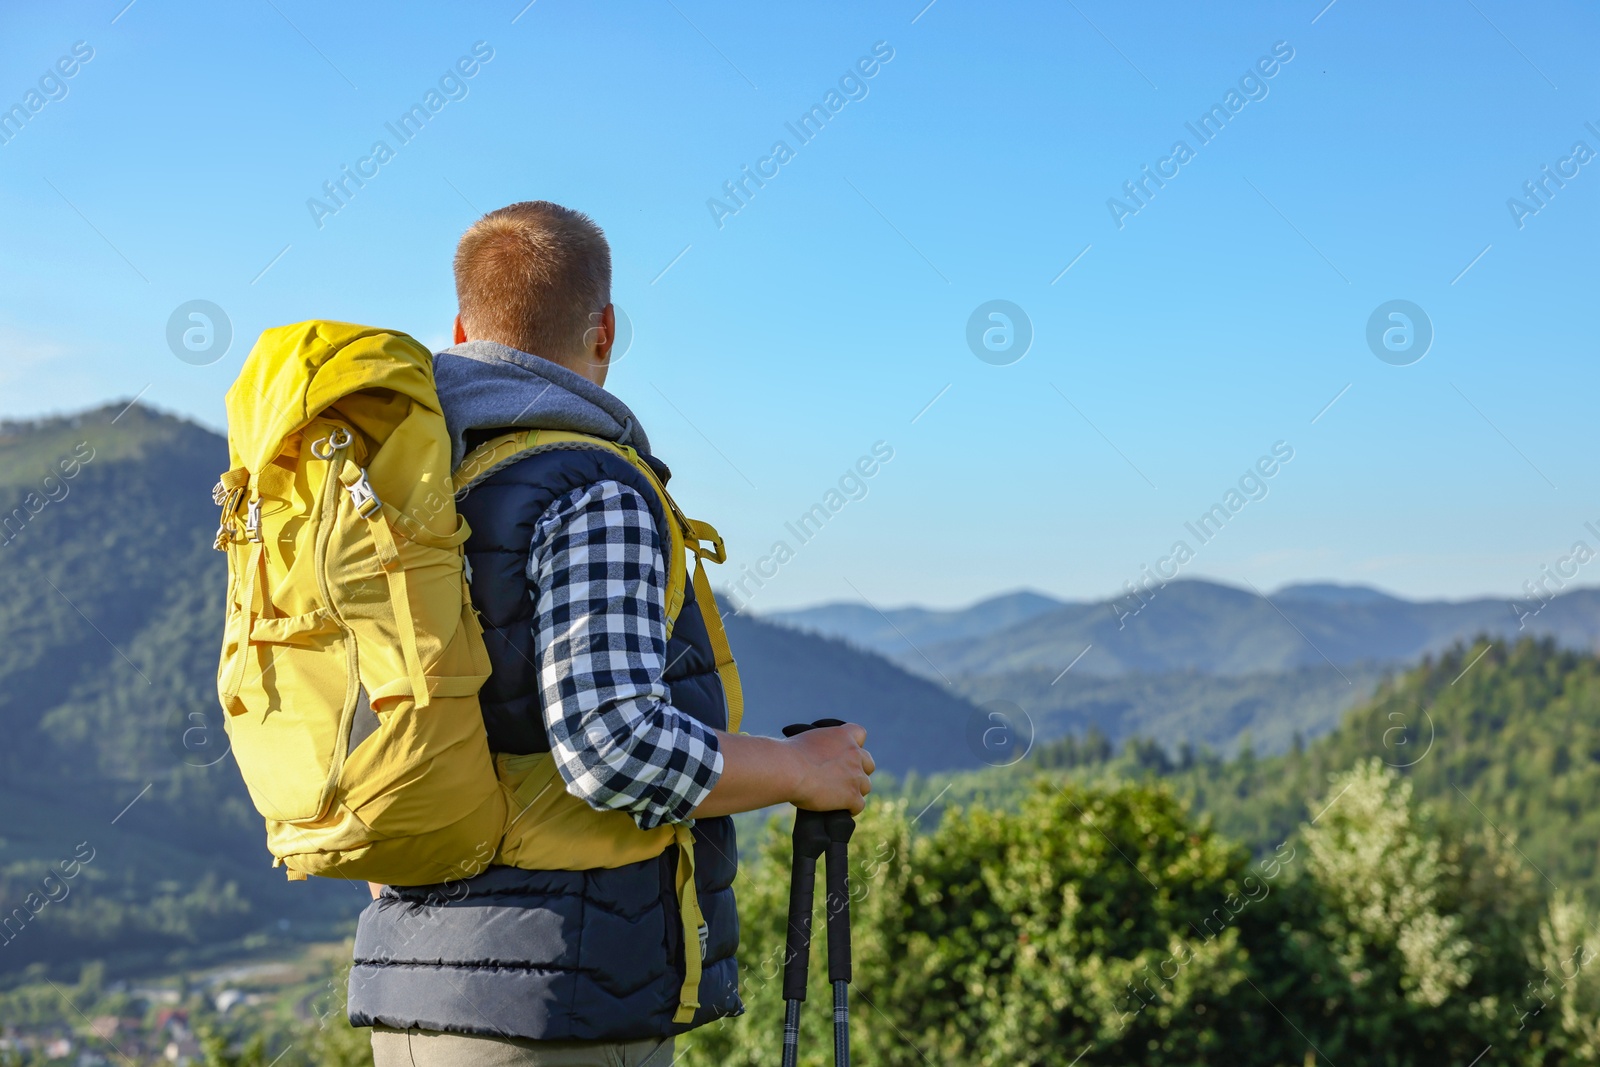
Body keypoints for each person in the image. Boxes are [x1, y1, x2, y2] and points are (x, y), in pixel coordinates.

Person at [348, 200, 875, 1066]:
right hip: (559, 1000)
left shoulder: (408, 489)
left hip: (411, 989)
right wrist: (799, 770)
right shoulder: (589, 486)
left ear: (458, 326)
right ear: (605, 330)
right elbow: (613, 746)